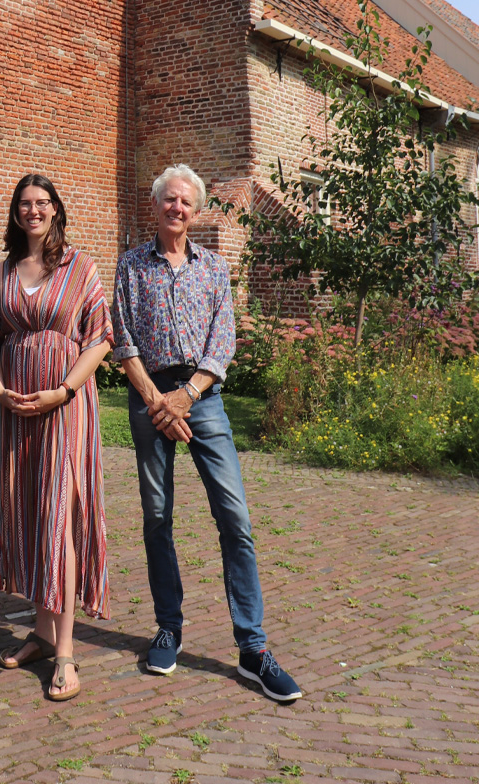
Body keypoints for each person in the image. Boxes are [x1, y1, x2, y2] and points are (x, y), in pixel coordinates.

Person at [111, 164, 301, 702]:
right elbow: (122, 340)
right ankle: (168, 628)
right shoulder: (129, 266)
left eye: (185, 202)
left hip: (203, 398)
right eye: (168, 199)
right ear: (155, 206)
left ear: (196, 211)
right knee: (156, 515)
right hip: (149, 397)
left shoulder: (215, 268)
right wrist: (157, 401)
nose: (176, 208)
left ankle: (253, 648)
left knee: (234, 517)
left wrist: (185, 397)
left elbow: (223, 344)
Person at [0, 175, 113, 701]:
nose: (32, 211)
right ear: (16, 213)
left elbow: (99, 339)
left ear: (56, 210)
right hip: (14, 407)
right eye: (24, 204)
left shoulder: (80, 266)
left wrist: (64, 390)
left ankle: (66, 654)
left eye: (41, 203)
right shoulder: (6, 271)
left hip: (63, 405)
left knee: (60, 515)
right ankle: (39, 630)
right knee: (29, 510)